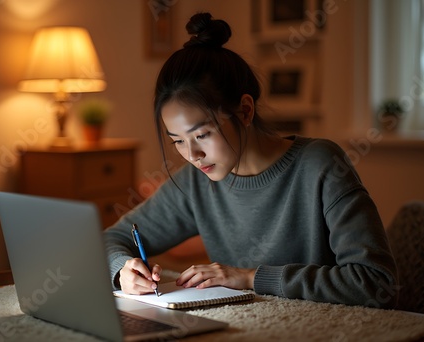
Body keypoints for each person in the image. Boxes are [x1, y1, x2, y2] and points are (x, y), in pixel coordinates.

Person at [104, 12, 398, 308]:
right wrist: (123, 270)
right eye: (178, 141)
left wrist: (250, 277)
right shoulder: (196, 181)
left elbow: (375, 283)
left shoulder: (320, 165)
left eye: (202, 134)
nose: (192, 155)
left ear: (244, 110)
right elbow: (109, 238)